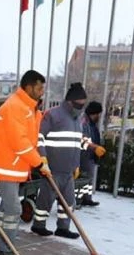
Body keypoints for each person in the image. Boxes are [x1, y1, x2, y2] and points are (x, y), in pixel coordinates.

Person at [0, 69, 49, 255]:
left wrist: (42, 158)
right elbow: (19, 141)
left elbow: (32, 139)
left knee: (7, 208)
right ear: (29, 86)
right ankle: (5, 251)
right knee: (14, 208)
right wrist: (38, 162)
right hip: (7, 166)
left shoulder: (30, 108)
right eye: (39, 88)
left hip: (16, 166)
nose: (42, 92)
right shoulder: (15, 106)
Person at [32, 82, 90, 239]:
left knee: (69, 201)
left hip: (68, 170)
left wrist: (76, 164)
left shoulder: (77, 119)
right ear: (70, 102)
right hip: (52, 167)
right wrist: (42, 158)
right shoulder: (53, 114)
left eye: (83, 104)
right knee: (46, 199)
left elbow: (76, 142)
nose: (81, 107)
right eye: (79, 104)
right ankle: (38, 225)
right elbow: (39, 137)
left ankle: (63, 227)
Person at [78, 101, 106, 206]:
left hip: (90, 155)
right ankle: (80, 198)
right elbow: (82, 139)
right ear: (93, 113)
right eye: (98, 114)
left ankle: (87, 198)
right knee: (83, 178)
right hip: (84, 155)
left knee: (88, 179)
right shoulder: (84, 122)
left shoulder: (91, 123)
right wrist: (94, 148)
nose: (99, 116)